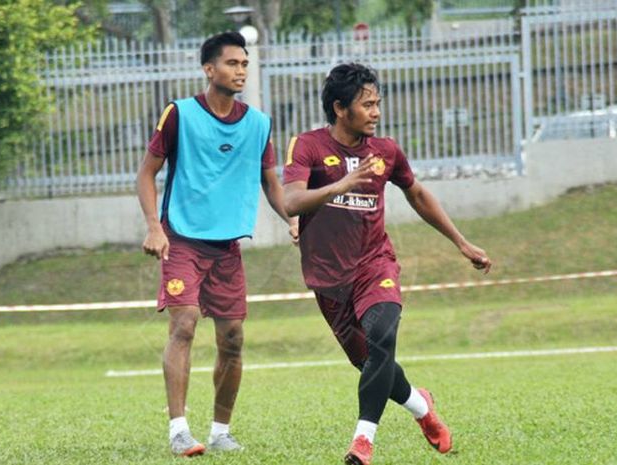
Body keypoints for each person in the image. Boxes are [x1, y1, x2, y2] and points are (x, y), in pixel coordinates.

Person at [283, 63, 491, 465]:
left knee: (382, 336)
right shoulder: (307, 146)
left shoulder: (387, 151)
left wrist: (461, 242)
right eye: (367, 104)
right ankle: (421, 407)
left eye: (378, 103)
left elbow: (416, 194)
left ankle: (363, 442)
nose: (376, 112)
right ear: (341, 108)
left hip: (374, 266)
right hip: (328, 280)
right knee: (370, 363)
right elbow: (291, 201)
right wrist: (339, 186)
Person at [136, 31, 298, 457]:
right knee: (184, 324)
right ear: (209, 69)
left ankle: (222, 431)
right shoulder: (180, 114)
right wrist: (154, 227)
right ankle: (178, 431)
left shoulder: (258, 123)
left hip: (227, 248)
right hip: (181, 241)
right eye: (231, 63)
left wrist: (293, 219)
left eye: (244, 64)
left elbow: (271, 183)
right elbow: (145, 174)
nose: (240, 70)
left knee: (232, 339)